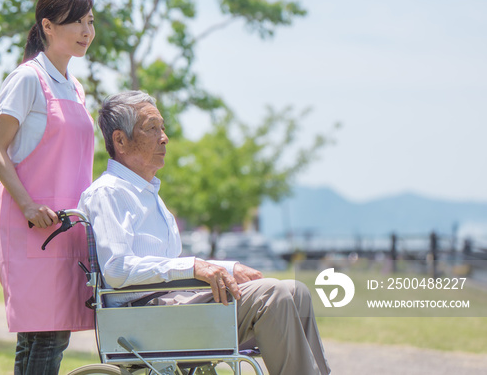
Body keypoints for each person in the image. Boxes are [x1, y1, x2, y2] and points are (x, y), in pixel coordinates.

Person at [78, 91, 331, 375]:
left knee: (297, 292)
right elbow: (117, 268)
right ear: (120, 141)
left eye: (162, 127)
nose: (164, 138)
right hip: (145, 319)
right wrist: (196, 266)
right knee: (274, 295)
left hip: (170, 305)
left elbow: (166, 265)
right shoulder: (108, 192)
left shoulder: (147, 195)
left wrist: (227, 267)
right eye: (151, 128)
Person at [0, 0, 96, 375]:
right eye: (76, 21)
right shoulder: (26, 79)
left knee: (39, 335)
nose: (86, 30)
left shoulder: (76, 87)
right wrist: (29, 206)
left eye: (90, 21)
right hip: (29, 221)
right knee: (47, 334)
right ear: (48, 26)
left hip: (65, 226)